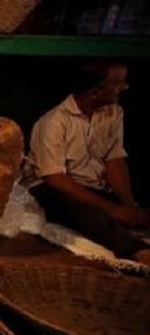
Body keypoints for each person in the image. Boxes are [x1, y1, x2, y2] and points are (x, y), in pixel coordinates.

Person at [22, 59, 150, 266]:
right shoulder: (54, 122)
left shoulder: (113, 113)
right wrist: (113, 210)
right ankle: (137, 249)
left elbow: (115, 161)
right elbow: (56, 179)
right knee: (83, 211)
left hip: (91, 188)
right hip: (55, 190)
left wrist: (129, 207)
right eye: (117, 83)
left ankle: (129, 226)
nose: (124, 87)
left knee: (133, 211)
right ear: (95, 92)